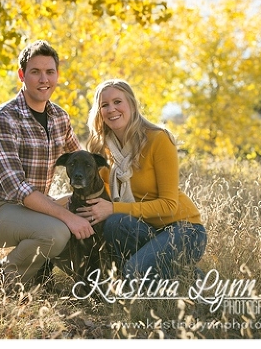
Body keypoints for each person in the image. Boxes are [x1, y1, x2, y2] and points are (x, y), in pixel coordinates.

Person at [0, 40, 93, 294]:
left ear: (57, 75)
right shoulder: (2, 118)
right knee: (57, 232)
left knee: (88, 207)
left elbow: (81, 159)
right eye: (35, 72)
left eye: (50, 72)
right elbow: (17, 188)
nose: (43, 79)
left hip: (35, 208)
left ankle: (84, 281)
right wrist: (67, 216)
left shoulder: (60, 117)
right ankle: (1, 281)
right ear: (22, 75)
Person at [78, 78, 206, 283]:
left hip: (184, 229)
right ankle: (182, 272)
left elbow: (169, 205)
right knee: (114, 223)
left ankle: (180, 277)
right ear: (99, 112)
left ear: (131, 104)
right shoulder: (101, 149)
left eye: (117, 102)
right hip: (143, 228)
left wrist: (114, 208)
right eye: (104, 105)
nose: (111, 109)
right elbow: (95, 197)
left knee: (135, 272)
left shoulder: (158, 139)